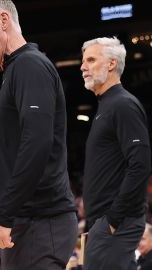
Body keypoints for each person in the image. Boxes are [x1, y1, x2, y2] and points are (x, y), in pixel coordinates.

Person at [0, 1, 78, 269]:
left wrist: (4, 216)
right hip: (29, 222)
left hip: (40, 220)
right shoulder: (17, 68)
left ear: (4, 20)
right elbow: (6, 115)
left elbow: (37, 143)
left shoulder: (29, 65)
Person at [80, 37, 151, 270]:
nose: (83, 67)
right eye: (83, 61)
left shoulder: (123, 105)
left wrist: (112, 219)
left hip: (116, 225)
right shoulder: (107, 106)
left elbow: (140, 165)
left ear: (111, 64)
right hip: (106, 225)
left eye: (91, 60)